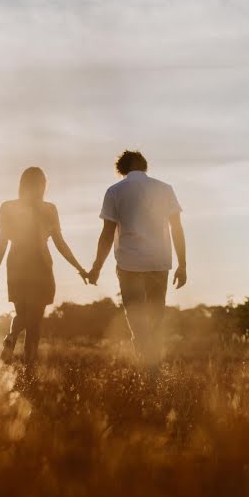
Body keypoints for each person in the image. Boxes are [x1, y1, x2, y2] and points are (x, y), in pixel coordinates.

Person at [87, 150, 187, 367]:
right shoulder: (165, 189)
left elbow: (106, 234)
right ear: (144, 165)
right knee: (156, 319)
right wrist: (183, 265)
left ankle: (147, 369)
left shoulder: (114, 191)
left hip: (129, 263)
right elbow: (177, 228)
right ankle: (154, 369)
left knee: (137, 321)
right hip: (158, 262)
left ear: (121, 169)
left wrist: (96, 267)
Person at [0, 167, 87, 368]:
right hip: (40, 263)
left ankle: (12, 336)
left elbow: (2, 242)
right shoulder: (49, 209)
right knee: (34, 322)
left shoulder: (7, 207)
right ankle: (29, 370)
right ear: (42, 185)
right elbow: (60, 243)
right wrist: (80, 268)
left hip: (16, 262)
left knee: (22, 313)